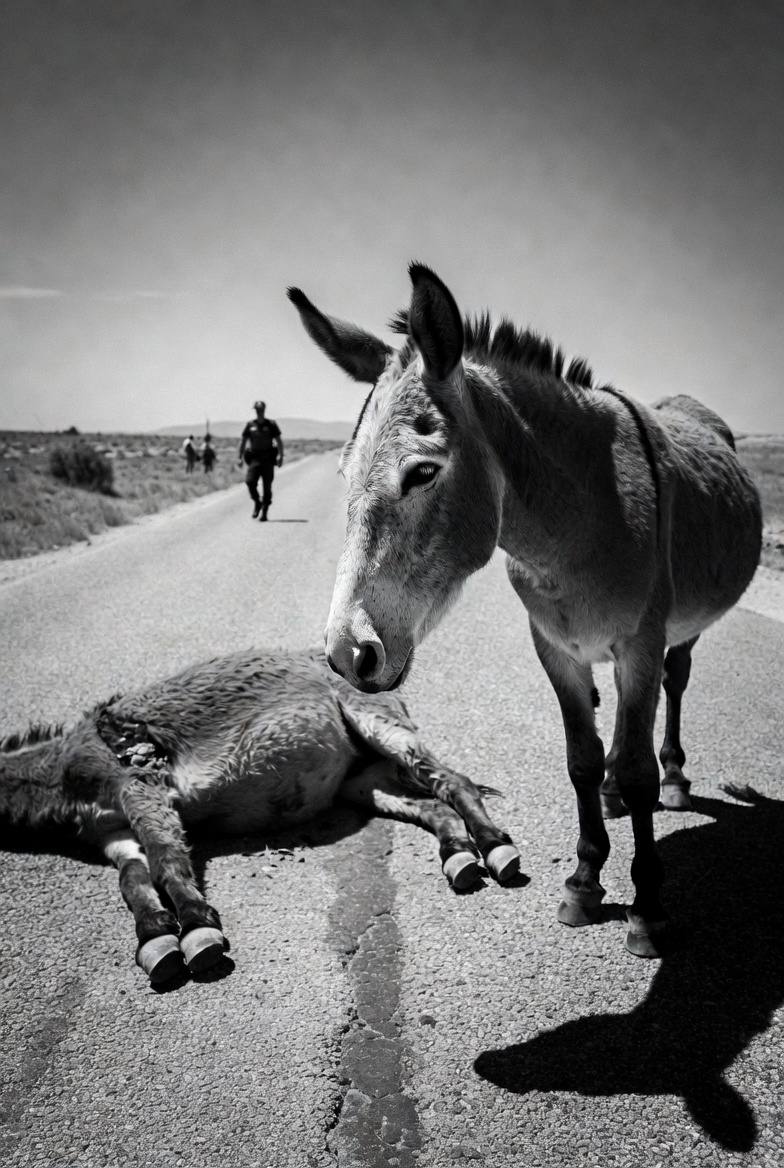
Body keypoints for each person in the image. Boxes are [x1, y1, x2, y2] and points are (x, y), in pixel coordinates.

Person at [238, 401, 283, 520]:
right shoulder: (251, 425)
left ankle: (264, 511)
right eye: (257, 410)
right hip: (254, 459)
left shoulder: (271, 424)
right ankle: (257, 502)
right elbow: (243, 441)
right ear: (255, 411)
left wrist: (280, 456)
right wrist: (239, 457)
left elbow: (279, 441)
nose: (259, 412)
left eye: (261, 409)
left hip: (268, 459)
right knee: (250, 482)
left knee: (267, 486)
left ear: (264, 410)